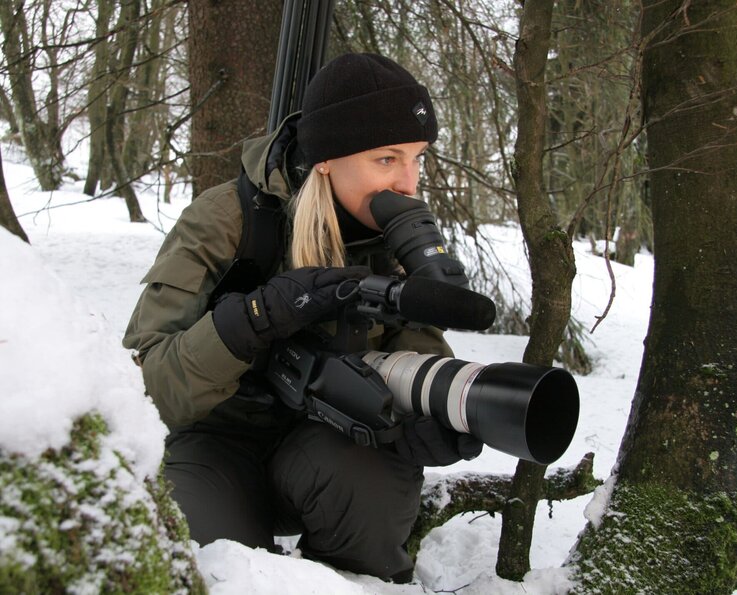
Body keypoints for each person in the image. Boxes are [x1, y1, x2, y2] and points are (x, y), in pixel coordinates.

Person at [123, 52, 482, 583]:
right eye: (387, 159)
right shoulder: (226, 221)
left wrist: (423, 423)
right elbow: (147, 388)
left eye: (417, 159)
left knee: (375, 497)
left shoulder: (398, 239)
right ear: (326, 160)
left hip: (329, 441)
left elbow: (416, 354)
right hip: (217, 440)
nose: (408, 183)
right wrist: (251, 320)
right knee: (207, 562)